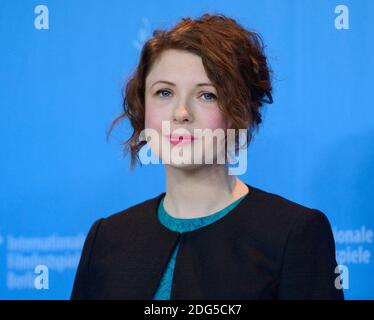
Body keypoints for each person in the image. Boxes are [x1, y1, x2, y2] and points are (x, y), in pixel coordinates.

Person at [71, 13, 344, 300]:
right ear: (142, 107)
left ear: (239, 112)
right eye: (164, 92)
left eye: (207, 95)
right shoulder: (107, 238)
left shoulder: (294, 234)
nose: (181, 113)